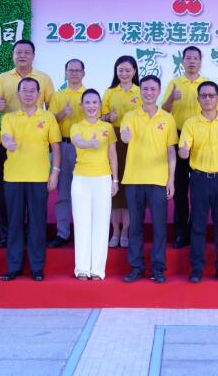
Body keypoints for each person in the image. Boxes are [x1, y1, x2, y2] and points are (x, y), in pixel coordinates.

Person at [0, 40, 55, 249]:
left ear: (33, 56)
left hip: (36, 141)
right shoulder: (3, 78)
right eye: (18, 52)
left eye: (27, 52)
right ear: (13, 55)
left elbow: (51, 108)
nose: (22, 56)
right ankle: (7, 234)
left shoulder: (44, 78)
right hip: (10, 140)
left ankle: (34, 236)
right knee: (7, 192)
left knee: (35, 194)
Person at [0, 77, 61, 282]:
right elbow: (5, 137)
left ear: (39, 94)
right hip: (13, 177)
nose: (28, 94)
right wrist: (8, 143)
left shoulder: (48, 117)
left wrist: (55, 172)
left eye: (32, 91)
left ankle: (36, 267)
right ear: (18, 94)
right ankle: (14, 266)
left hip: (39, 177)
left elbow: (55, 146)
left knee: (37, 223)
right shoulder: (9, 118)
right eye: (24, 90)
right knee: (14, 223)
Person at [178, 81, 218, 283]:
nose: (207, 99)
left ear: (217, 98)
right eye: (203, 96)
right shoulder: (190, 123)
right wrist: (183, 152)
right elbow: (183, 151)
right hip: (199, 179)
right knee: (198, 225)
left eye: (211, 95)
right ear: (198, 99)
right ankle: (197, 268)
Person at [120, 75, 177, 283]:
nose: (149, 92)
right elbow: (125, 136)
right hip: (134, 179)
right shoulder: (130, 116)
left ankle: (158, 268)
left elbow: (171, 151)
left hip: (158, 180)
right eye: (145, 89)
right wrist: (125, 137)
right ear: (140, 91)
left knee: (159, 227)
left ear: (159, 91)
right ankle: (136, 267)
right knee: (135, 226)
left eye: (153, 89)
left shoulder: (167, 118)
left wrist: (171, 180)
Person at [70, 89, 119, 280]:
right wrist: (89, 144)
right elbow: (78, 142)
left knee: (101, 224)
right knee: (82, 223)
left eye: (95, 102)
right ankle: (82, 268)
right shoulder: (76, 126)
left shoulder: (107, 128)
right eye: (87, 102)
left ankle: (97, 269)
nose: (91, 106)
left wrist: (115, 180)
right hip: (81, 179)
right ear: (81, 105)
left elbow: (112, 154)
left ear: (100, 105)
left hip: (103, 179)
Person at [163, 46, 208, 248]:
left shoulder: (205, 84)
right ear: (182, 62)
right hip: (179, 136)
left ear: (200, 61)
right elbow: (164, 110)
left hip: (201, 139)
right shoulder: (174, 83)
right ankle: (181, 231)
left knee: (199, 189)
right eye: (188, 58)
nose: (191, 61)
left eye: (195, 58)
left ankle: (197, 230)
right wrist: (172, 98)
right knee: (180, 188)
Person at [102, 56, 141, 248]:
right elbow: (100, 117)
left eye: (127, 70)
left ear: (134, 71)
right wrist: (108, 117)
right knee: (114, 187)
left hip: (135, 142)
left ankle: (125, 230)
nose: (124, 73)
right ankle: (115, 231)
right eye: (120, 70)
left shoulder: (141, 91)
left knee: (129, 188)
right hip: (114, 141)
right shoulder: (109, 92)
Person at [48, 59, 87, 248]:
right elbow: (51, 120)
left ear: (83, 73)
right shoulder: (57, 96)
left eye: (77, 70)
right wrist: (64, 112)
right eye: (70, 70)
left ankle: (84, 233)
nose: (74, 73)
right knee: (64, 193)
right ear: (65, 73)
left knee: (85, 192)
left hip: (85, 149)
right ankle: (62, 233)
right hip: (63, 146)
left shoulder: (89, 94)